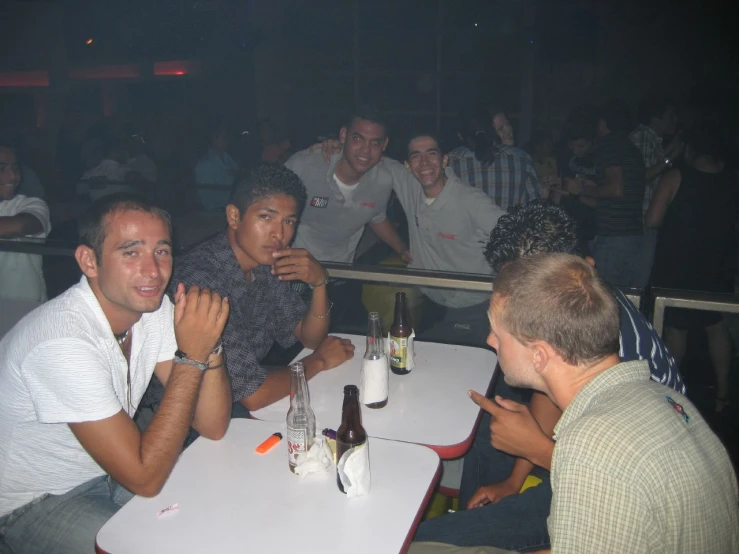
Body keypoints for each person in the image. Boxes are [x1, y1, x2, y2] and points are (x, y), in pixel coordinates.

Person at [412, 253, 738, 554]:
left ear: (538, 355)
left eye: (498, 333)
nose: (489, 340)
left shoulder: (589, 448)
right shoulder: (662, 396)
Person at [0, 193, 232, 553]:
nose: (153, 271)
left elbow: (213, 425)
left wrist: (210, 343)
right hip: (33, 503)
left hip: (104, 473)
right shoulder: (62, 341)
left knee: (214, 519)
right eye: (131, 252)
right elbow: (145, 478)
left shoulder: (151, 310)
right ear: (89, 261)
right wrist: (191, 357)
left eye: (162, 251)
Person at [154, 164, 355, 414]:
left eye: (289, 221)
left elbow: (309, 337)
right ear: (234, 217)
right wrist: (319, 361)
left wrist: (319, 284)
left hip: (236, 403)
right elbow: (253, 394)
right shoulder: (202, 281)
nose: (279, 234)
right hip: (184, 416)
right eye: (266, 217)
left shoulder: (264, 265)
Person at [285, 105, 410, 330]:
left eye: (375, 143)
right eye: (358, 138)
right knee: (300, 348)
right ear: (343, 136)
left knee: (361, 339)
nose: (365, 150)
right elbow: (269, 209)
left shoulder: (383, 179)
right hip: (294, 279)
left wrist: (403, 250)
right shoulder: (305, 165)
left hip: (340, 275)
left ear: (385, 145)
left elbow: (377, 216)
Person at [647, 123, 738, 415]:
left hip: (680, 262)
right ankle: (723, 396)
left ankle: (670, 398)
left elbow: (653, 219)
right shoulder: (731, 178)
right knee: (715, 325)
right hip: (717, 261)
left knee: (677, 328)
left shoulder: (677, 175)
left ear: (689, 148)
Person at [387, 133, 505, 344]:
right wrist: (333, 147)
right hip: (429, 299)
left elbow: (517, 236)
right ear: (407, 165)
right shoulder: (409, 185)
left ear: (444, 160)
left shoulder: (470, 200)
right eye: (416, 156)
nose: (424, 162)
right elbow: (369, 156)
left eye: (431, 153)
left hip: (471, 305)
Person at [565, 99, 646, 288]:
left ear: (602, 123)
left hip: (614, 238)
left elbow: (616, 189)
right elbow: (613, 201)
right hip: (631, 235)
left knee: (606, 298)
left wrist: (583, 188)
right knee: (623, 297)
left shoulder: (610, 146)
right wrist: (577, 195)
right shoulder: (631, 149)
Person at [630, 95, 683, 286]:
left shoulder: (652, 139)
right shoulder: (643, 136)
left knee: (641, 276)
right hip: (642, 217)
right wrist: (671, 158)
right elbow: (641, 176)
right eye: (670, 115)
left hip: (645, 218)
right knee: (638, 279)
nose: (675, 119)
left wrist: (672, 148)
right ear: (655, 119)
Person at [448, 108, 541, 213]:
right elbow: (534, 210)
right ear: (490, 130)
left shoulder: (452, 160)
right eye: (500, 128)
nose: (508, 130)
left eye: (508, 124)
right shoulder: (522, 159)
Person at [0, 142, 51, 301]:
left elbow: (22, 226)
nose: (13, 176)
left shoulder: (30, 204)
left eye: (15, 168)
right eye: (2, 168)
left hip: (23, 308)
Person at [194, 123, 239, 210]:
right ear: (214, 139)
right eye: (223, 138)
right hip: (216, 212)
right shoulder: (205, 165)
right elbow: (206, 197)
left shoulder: (229, 159)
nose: (227, 141)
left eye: (227, 138)